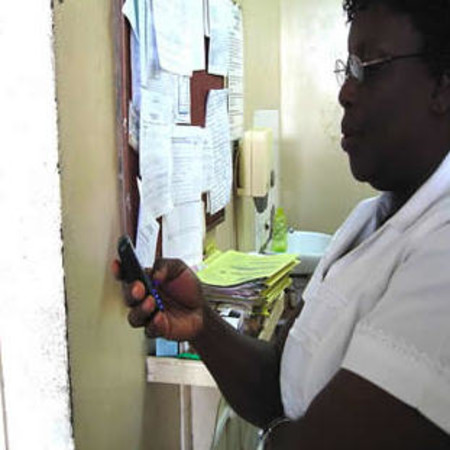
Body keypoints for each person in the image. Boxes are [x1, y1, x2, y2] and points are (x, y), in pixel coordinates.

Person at [113, 0, 450, 448]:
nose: (346, 91)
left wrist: (280, 436)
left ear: (442, 89)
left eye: (370, 65)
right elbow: (281, 380)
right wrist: (203, 325)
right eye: (347, 68)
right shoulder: (369, 220)